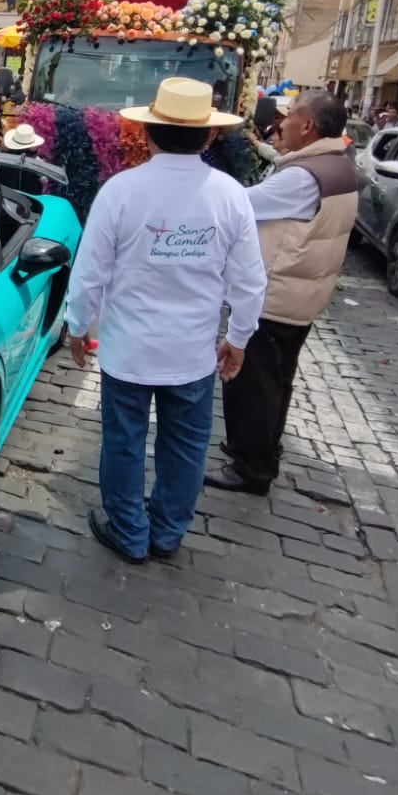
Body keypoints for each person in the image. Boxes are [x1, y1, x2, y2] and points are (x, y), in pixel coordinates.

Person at [63, 77, 267, 564]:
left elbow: (90, 272)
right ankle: (168, 532)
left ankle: (129, 531)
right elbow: (249, 281)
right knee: (186, 447)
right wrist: (239, 338)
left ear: (148, 131)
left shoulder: (121, 190)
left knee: (124, 442)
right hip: (191, 352)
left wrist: (77, 325)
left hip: (128, 350)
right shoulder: (229, 195)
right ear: (210, 134)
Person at [204, 90, 358, 496]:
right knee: (276, 379)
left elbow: (240, 205)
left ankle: (250, 467)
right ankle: (262, 448)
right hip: (301, 290)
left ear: (307, 125)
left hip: (277, 293)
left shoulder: (303, 177)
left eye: (288, 117)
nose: (281, 123)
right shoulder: (334, 163)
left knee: (252, 384)